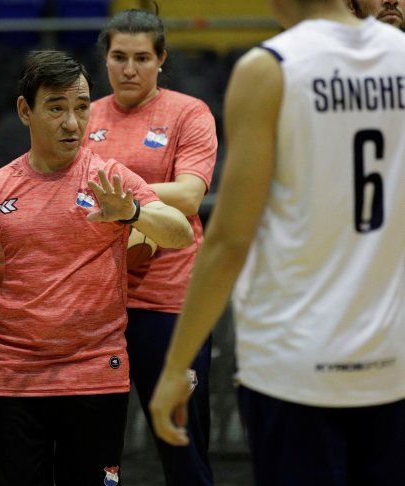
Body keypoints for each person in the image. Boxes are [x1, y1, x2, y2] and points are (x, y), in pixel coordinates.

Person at [149, 0, 405, 485]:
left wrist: (175, 366)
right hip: (391, 362)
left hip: (295, 365)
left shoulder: (270, 68)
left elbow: (229, 241)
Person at [0, 50, 194, 485]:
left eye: (82, 107)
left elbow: (180, 232)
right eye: (56, 108)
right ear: (25, 110)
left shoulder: (111, 180)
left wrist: (131, 212)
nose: (72, 123)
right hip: (14, 380)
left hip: (96, 375)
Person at [83, 9, 218, 486]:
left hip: (169, 301)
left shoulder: (189, 112)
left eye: (141, 58)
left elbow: (190, 195)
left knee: (181, 442)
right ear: (105, 59)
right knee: (92, 448)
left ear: (161, 59)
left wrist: (121, 199)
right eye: (118, 57)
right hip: (97, 299)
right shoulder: (86, 115)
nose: (129, 68)